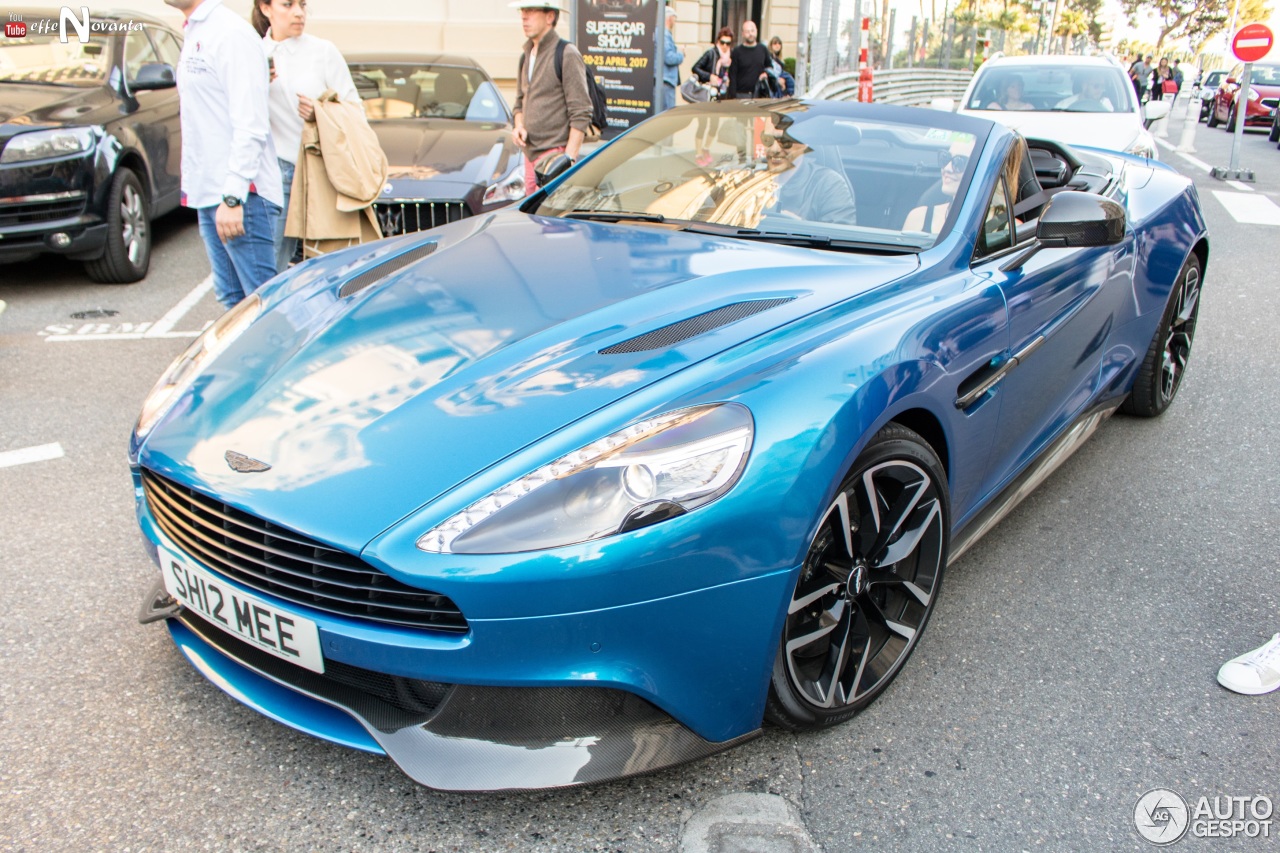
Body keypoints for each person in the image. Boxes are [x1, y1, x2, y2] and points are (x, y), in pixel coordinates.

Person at [165, 0, 282, 310]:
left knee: (261, 306)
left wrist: (233, 197)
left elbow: (251, 123)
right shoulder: (195, 31)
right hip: (210, 194)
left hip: (243, 198)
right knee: (234, 306)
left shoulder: (230, 33)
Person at [252, 0, 361, 274]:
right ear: (266, 8)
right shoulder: (253, 54)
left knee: (330, 264)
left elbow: (356, 110)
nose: (299, 13)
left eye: (302, 4)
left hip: (319, 170)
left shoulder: (322, 51)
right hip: (273, 172)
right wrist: (256, 85)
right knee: (270, 267)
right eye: (287, 5)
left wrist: (319, 111)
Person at [511, 0, 593, 194]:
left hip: (554, 155)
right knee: (533, 220)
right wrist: (519, 126)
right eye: (523, 10)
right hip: (530, 156)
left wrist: (567, 162)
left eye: (531, 11)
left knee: (551, 222)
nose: (524, 16)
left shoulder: (566, 53)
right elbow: (519, 102)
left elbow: (581, 112)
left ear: (550, 16)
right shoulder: (526, 55)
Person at [759, 118, 856, 224]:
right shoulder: (749, 181)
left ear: (804, 143)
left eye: (785, 141)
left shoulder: (828, 184)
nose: (774, 149)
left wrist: (800, 225)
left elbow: (839, 236)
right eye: (768, 139)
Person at [903, 136, 975, 234]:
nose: (947, 168)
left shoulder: (996, 223)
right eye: (945, 158)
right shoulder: (918, 218)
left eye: (959, 162)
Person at [691, 28, 733, 165]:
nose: (725, 46)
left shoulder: (727, 59)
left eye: (728, 43)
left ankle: (706, 148)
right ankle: (698, 154)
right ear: (717, 41)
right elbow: (695, 67)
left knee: (714, 124)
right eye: (723, 42)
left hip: (718, 95)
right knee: (702, 124)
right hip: (705, 93)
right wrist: (709, 76)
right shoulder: (711, 54)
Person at [728, 20, 771, 99]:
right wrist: (733, 96)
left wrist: (766, 74)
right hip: (741, 95)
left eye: (752, 31)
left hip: (759, 95)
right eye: (747, 31)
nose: (750, 34)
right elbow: (732, 75)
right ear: (743, 34)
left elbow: (770, 67)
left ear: (756, 31)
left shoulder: (763, 49)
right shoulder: (737, 51)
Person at [660, 7, 684, 112]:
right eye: (674, 18)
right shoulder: (664, 34)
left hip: (665, 80)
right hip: (666, 80)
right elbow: (669, 58)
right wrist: (680, 53)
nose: (674, 22)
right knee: (668, 114)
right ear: (669, 18)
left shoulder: (663, 34)